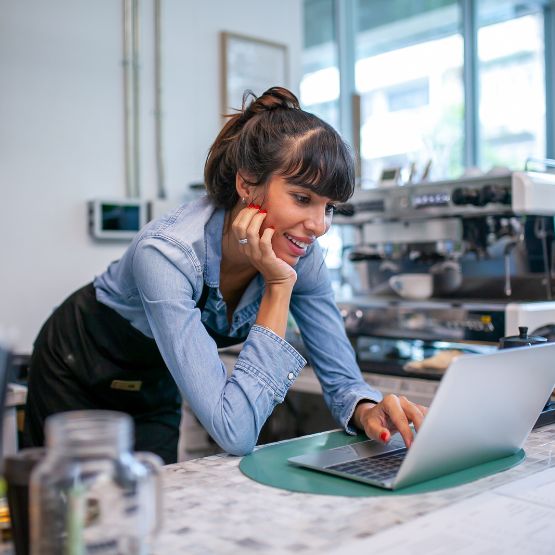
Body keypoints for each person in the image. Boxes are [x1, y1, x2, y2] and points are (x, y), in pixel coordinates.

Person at [24, 87, 427, 464]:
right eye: (302, 198)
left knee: (150, 503)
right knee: (63, 512)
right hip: (77, 363)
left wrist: (367, 409)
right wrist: (279, 285)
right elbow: (236, 432)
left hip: (155, 377)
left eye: (329, 207)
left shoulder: (303, 255)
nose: (319, 225)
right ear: (247, 184)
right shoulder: (168, 254)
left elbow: (343, 382)